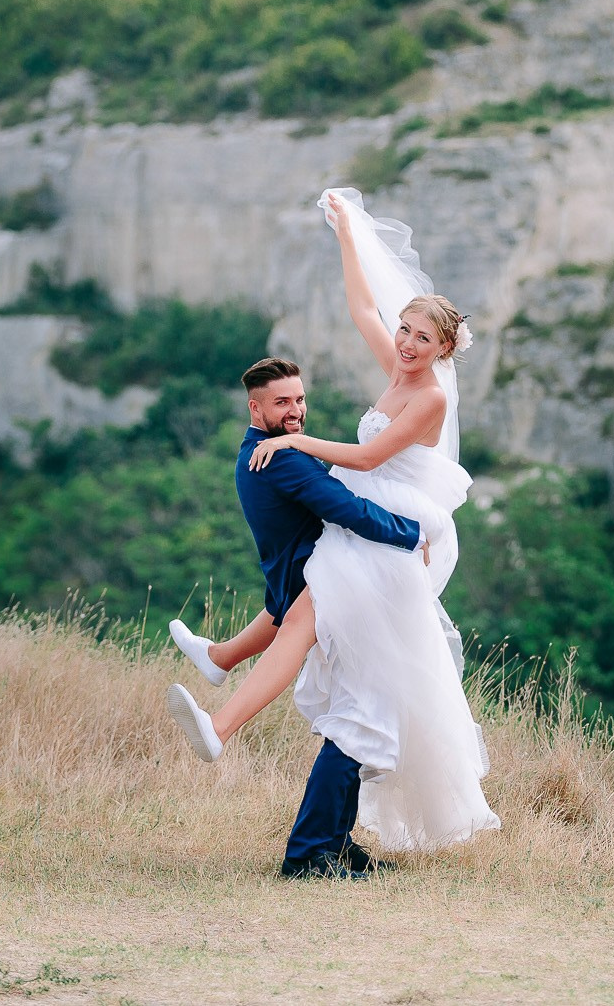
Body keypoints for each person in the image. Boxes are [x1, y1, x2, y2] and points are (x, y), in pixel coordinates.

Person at [168, 188, 499, 860]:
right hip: (369, 504)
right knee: (310, 596)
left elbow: (374, 455)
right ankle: (223, 661)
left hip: (399, 519)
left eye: (421, 337)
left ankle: (222, 717)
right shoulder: (398, 368)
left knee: (311, 607)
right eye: (404, 330)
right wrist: (348, 230)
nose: (405, 343)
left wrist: (298, 443)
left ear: (443, 349)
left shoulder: (430, 395)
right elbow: (359, 307)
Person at [167, 354, 426, 879]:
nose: (296, 411)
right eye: (282, 402)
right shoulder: (279, 459)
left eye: (300, 399)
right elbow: (344, 508)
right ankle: (310, 849)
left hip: (299, 577)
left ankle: (332, 841)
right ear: (255, 406)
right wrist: (412, 533)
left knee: (363, 716)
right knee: (359, 720)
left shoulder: (255, 453)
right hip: (323, 581)